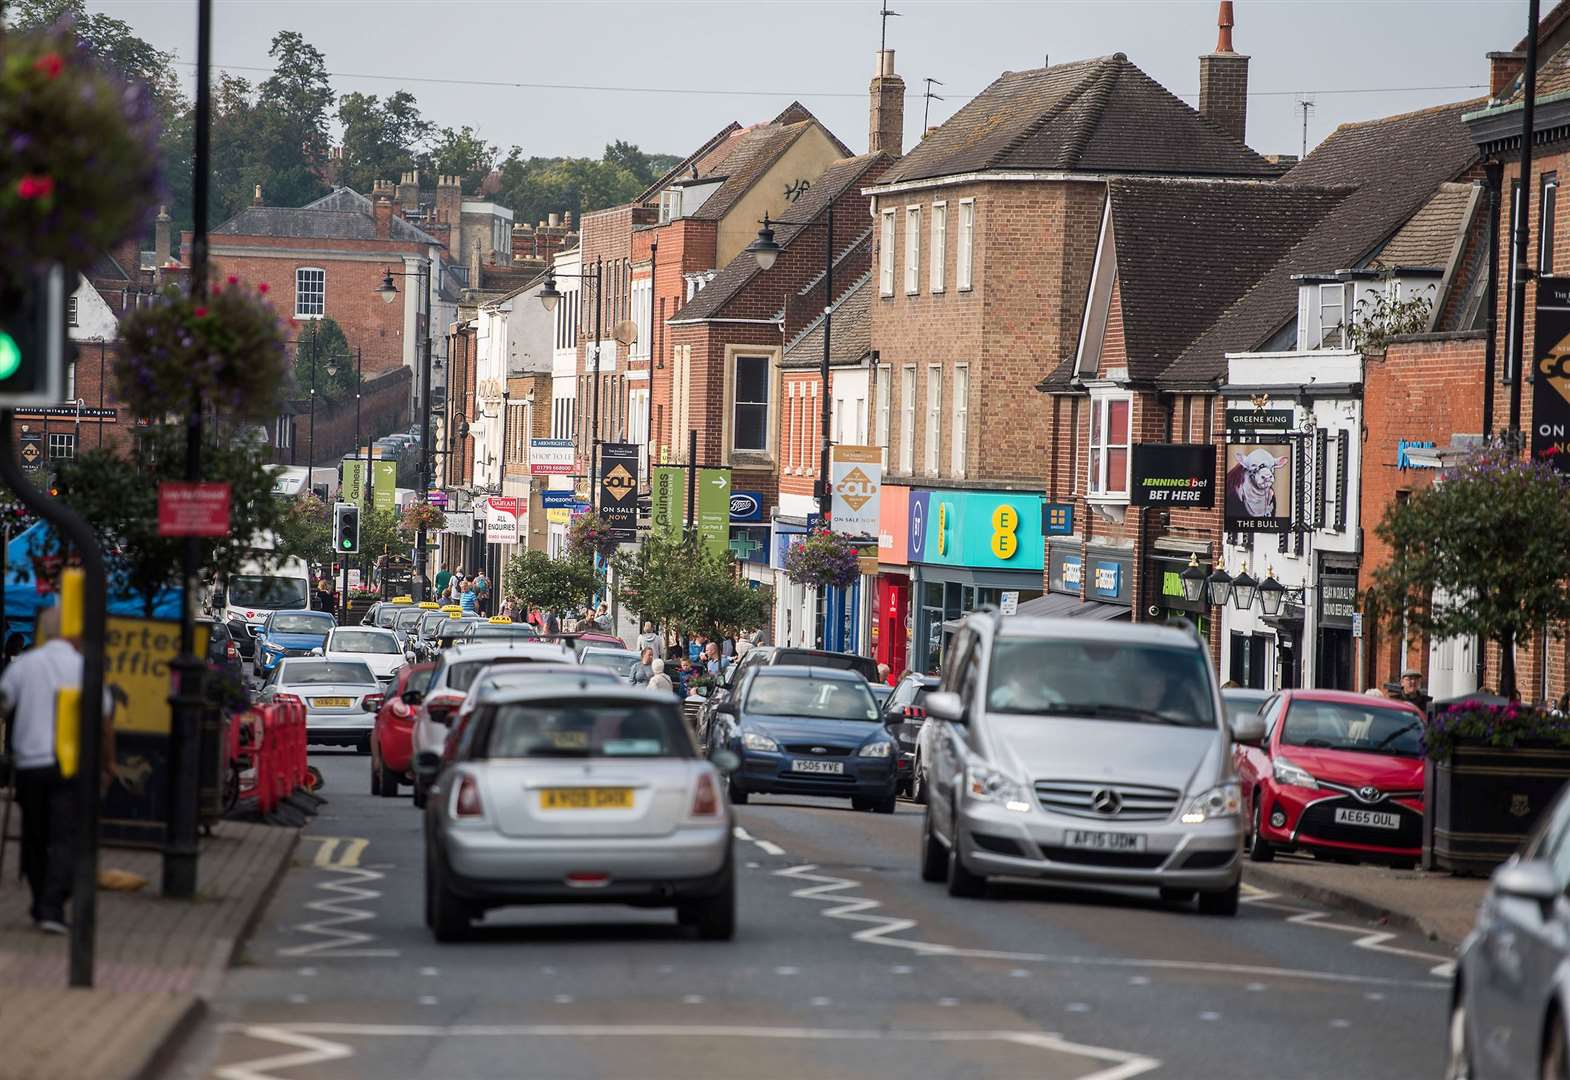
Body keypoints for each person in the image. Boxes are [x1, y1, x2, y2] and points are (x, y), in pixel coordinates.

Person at [0, 606, 113, 934]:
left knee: (34, 836)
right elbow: (104, 722)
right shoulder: (82, 667)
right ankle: (52, 902)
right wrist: (108, 764)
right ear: (74, 632)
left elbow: (4, 703)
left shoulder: (26, 665)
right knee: (65, 835)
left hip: (31, 765)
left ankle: (41, 903)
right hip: (70, 765)